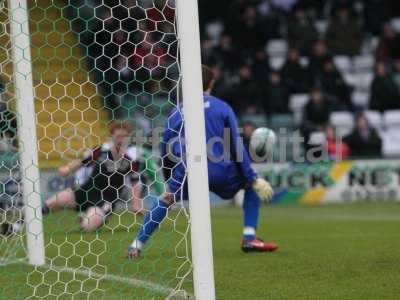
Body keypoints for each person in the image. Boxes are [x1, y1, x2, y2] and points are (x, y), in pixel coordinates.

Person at [127, 66, 277, 258]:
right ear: (211, 83)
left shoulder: (176, 111)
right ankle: (249, 238)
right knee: (250, 186)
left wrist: (169, 179)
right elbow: (236, 146)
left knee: (166, 199)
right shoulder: (222, 107)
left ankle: (136, 245)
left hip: (186, 169)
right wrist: (253, 177)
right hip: (219, 169)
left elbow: (165, 147)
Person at [0, 121, 162, 235]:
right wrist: (67, 168)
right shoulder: (101, 151)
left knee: (88, 226)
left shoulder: (131, 159)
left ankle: (95, 218)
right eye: (117, 136)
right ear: (112, 136)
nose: (120, 139)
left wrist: (136, 204)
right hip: (86, 191)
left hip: (105, 200)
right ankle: (16, 227)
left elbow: (135, 182)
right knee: (53, 201)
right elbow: (81, 162)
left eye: (124, 137)